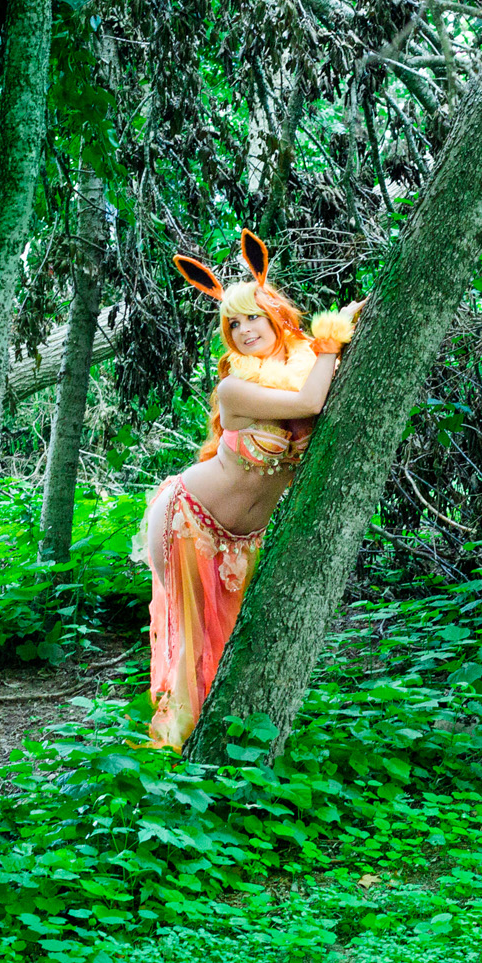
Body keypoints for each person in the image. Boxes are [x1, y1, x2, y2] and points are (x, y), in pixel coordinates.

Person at [137, 229, 361, 751]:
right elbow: (309, 404)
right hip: (189, 516)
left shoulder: (303, 369)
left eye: (252, 317)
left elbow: (315, 390)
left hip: (242, 537)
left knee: (233, 643)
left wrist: (338, 334)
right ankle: (178, 756)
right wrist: (331, 336)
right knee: (195, 646)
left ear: (276, 315)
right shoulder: (234, 390)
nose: (244, 330)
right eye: (233, 324)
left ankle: (233, 745)